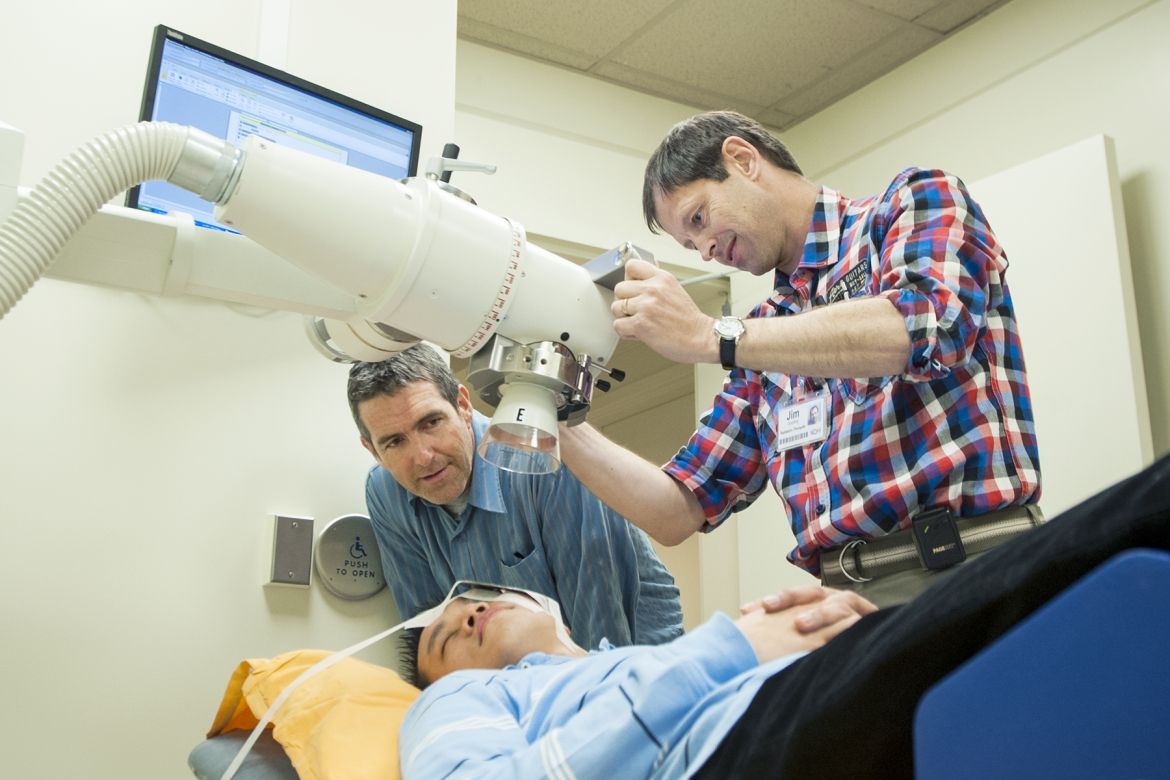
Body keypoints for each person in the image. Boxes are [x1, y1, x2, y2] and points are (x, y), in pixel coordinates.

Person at [398, 453, 1170, 779]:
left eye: (483, 597)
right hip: (732, 748)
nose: (470, 613)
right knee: (1106, 546)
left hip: (806, 691)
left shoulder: (615, 661)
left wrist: (841, 635)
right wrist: (732, 650)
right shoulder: (456, 700)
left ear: (548, 603)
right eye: (445, 635)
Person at [559, 110, 1042, 605]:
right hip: (847, 597)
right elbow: (677, 508)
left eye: (699, 219)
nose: (704, 250)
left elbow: (921, 325)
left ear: (743, 159)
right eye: (689, 243)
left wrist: (711, 335)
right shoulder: (762, 334)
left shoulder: (912, 204)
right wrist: (554, 414)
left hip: (967, 570)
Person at [346, 343, 684, 650]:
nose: (423, 456)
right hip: (513, 686)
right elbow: (430, 633)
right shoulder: (385, 493)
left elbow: (601, 627)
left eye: (431, 422)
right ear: (372, 450)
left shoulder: (545, 453)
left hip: (630, 669)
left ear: (463, 405)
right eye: (394, 442)